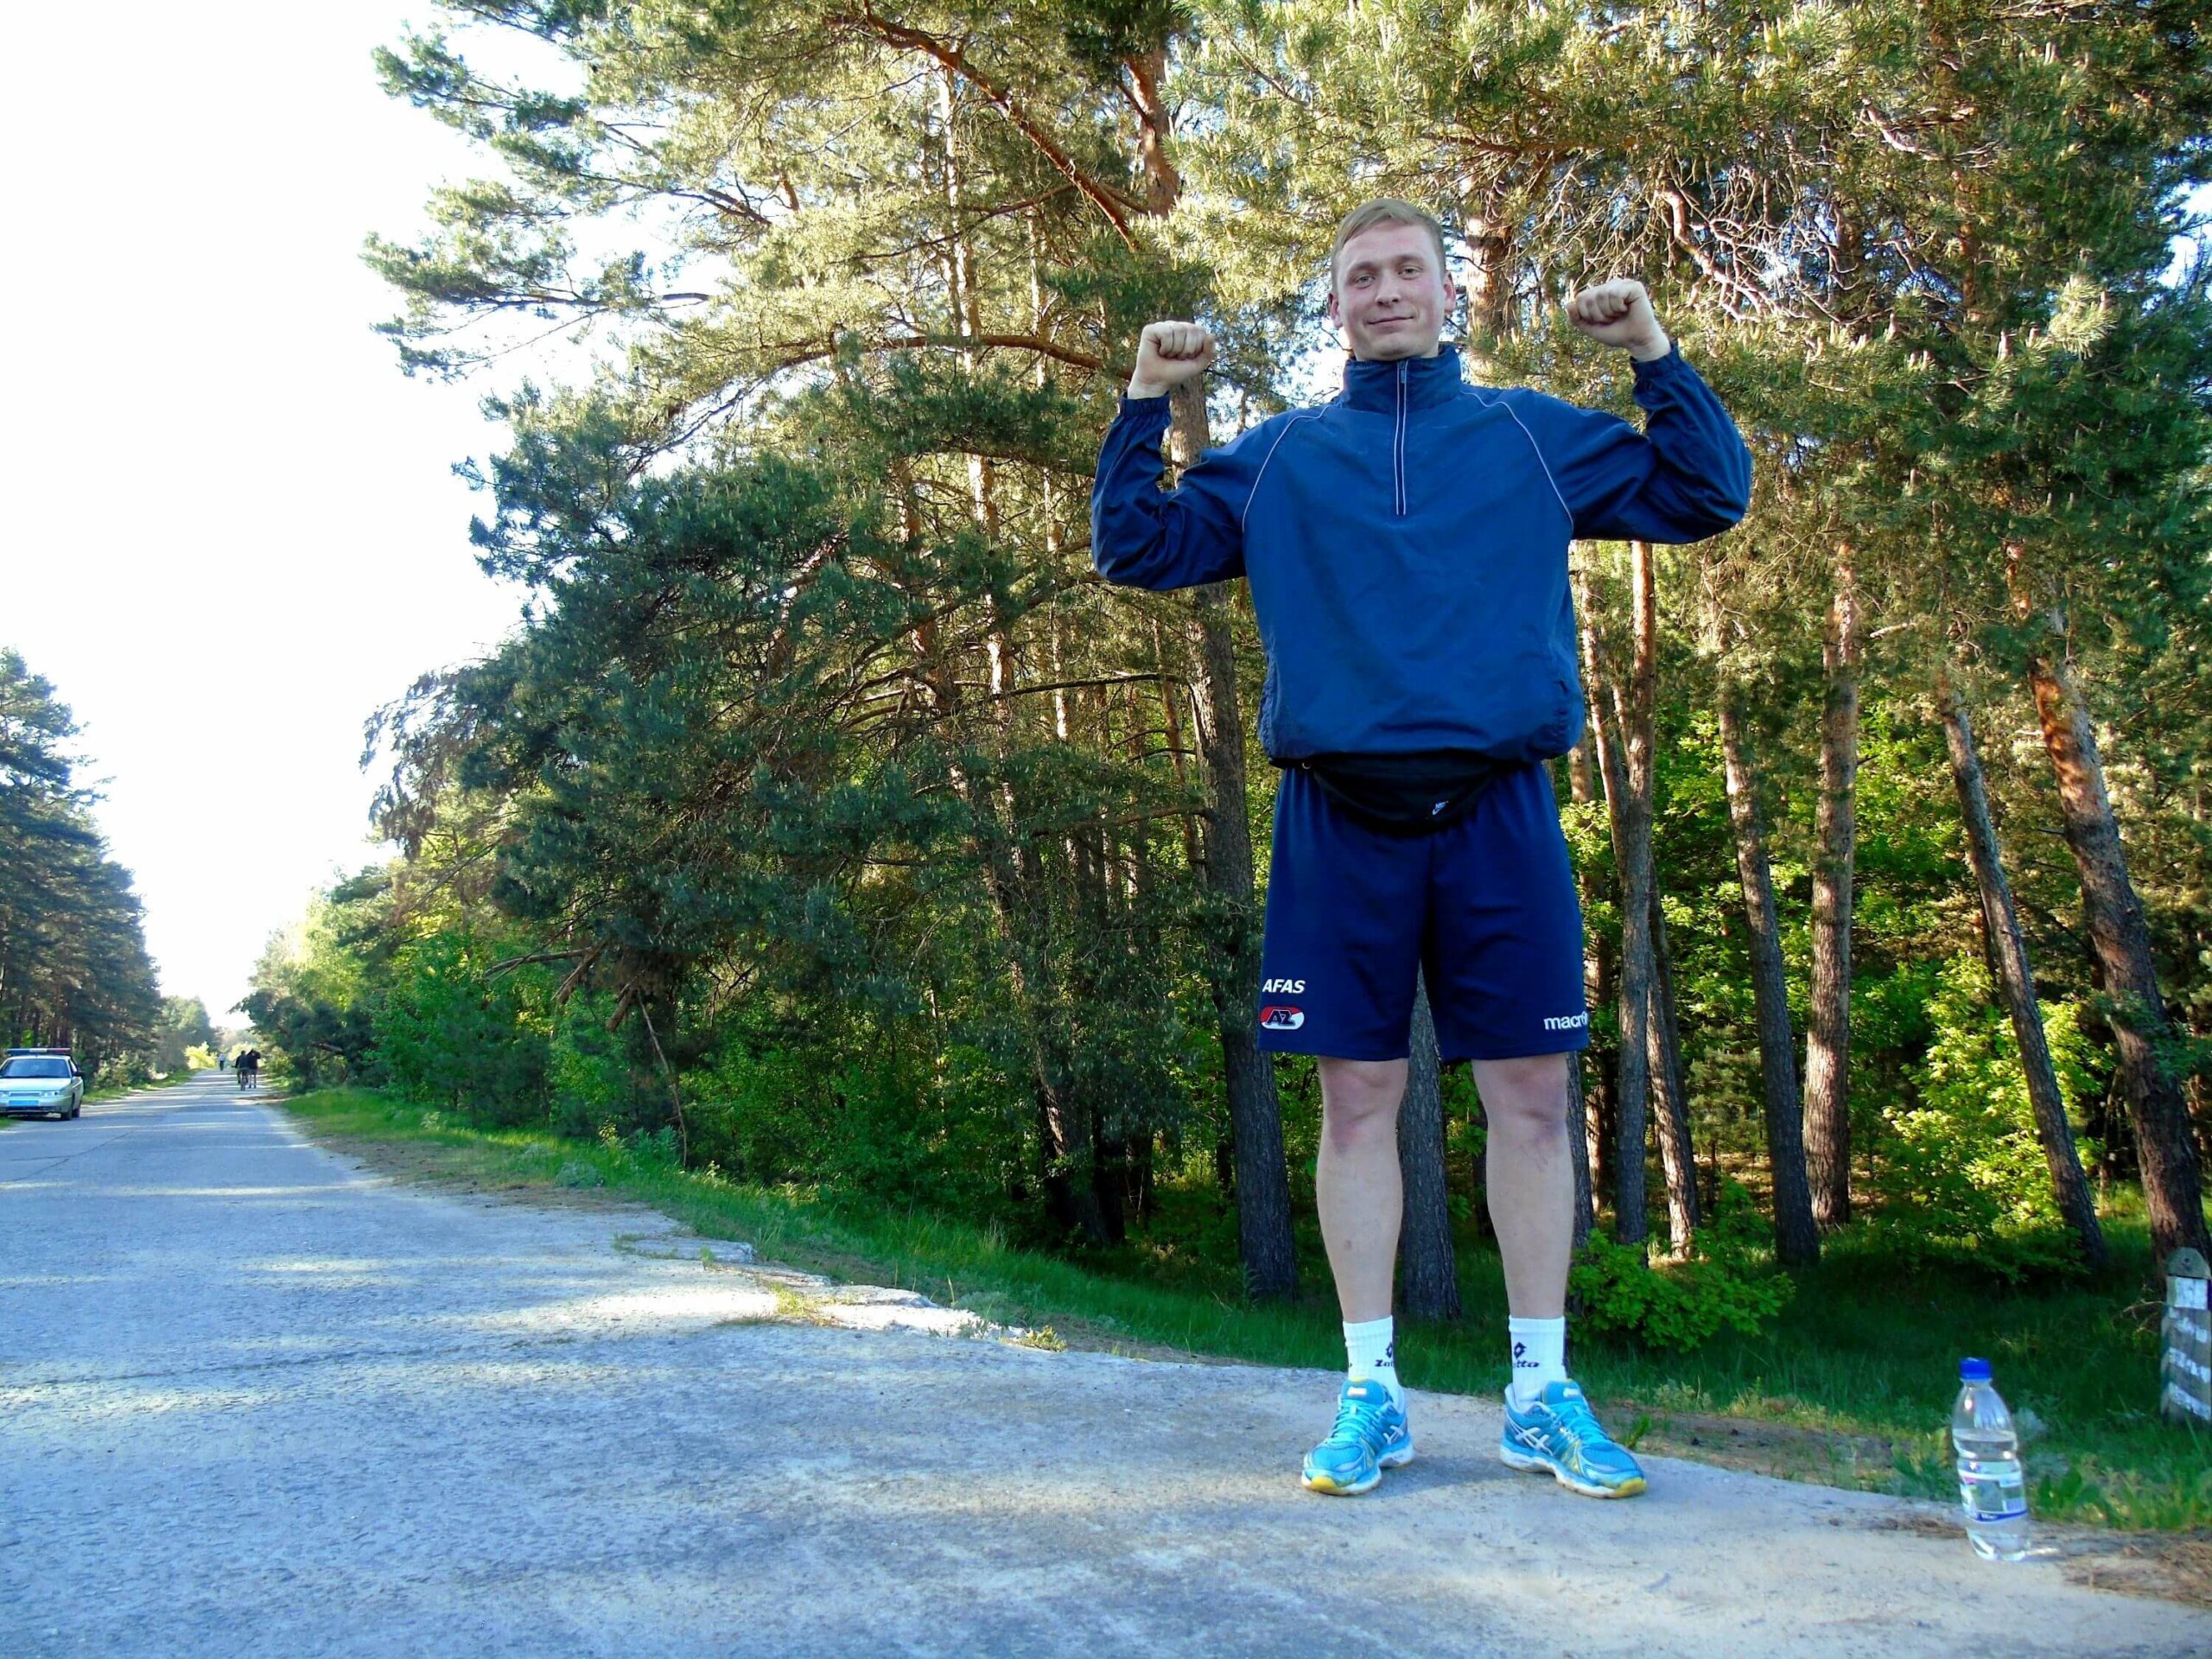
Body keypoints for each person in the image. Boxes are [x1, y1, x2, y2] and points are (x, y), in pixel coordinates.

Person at [1090, 199, 1751, 1500]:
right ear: (1334, 307)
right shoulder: (1283, 457)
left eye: (1409, 271)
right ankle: (1370, 1395)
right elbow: (1137, 545)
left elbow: (1704, 491)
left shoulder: (1529, 435)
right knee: (1357, 1103)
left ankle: (1541, 1395)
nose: (1386, 291)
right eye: (1361, 277)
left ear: (1449, 296)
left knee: (1533, 1100)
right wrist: (1145, 402)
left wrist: (1653, 355)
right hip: (1338, 820)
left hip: (1501, 810)